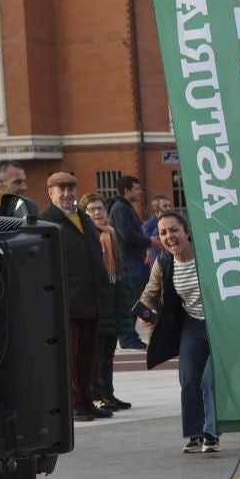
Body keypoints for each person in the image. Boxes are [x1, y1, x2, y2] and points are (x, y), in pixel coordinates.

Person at [137, 211, 219, 454]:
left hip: (219, 326)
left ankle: (211, 433)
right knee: (189, 379)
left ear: (187, 232)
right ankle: (194, 434)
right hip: (192, 324)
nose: (169, 236)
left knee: (209, 380)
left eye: (174, 230)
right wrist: (147, 314)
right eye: (163, 232)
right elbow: (148, 295)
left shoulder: (207, 255)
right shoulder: (164, 262)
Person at [43, 171, 112, 421]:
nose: (66, 193)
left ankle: (86, 401)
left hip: (91, 301)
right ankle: (71, 404)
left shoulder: (83, 218)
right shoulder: (46, 222)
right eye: (60, 189)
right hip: (67, 304)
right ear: (50, 193)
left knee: (87, 358)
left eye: (71, 188)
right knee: (68, 359)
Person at [80, 193, 134, 411]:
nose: (97, 213)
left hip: (114, 302)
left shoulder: (111, 234)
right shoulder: (88, 236)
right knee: (96, 354)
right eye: (91, 209)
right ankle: (95, 394)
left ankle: (108, 393)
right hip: (98, 304)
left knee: (108, 353)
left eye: (100, 208)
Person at [106, 177, 150, 350]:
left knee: (135, 297)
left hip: (134, 260)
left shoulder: (124, 207)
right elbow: (127, 234)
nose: (140, 191)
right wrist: (149, 242)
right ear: (126, 190)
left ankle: (130, 335)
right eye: (137, 188)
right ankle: (127, 336)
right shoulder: (120, 208)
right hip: (129, 261)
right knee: (130, 299)